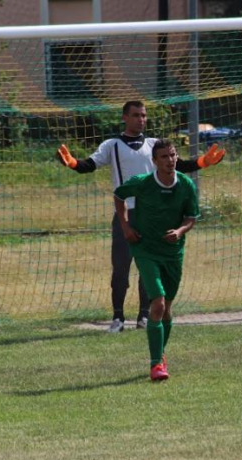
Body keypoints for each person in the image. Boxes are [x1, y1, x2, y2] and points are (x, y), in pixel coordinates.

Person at [57, 100, 224, 333]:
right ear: (124, 117)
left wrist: (203, 162)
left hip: (152, 216)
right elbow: (89, 165)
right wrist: (73, 163)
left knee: (150, 268)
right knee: (121, 269)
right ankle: (117, 318)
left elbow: (179, 165)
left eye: (143, 115)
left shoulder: (154, 145)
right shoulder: (112, 145)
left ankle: (144, 316)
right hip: (125, 213)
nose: (141, 119)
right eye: (136, 115)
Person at [113, 140, 198, 381]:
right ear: (155, 161)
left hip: (173, 253)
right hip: (146, 249)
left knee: (167, 309)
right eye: (163, 157)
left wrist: (180, 232)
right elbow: (118, 196)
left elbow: (191, 218)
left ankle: (160, 356)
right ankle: (155, 365)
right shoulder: (143, 183)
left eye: (172, 155)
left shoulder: (186, 185)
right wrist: (125, 226)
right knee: (158, 304)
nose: (169, 160)